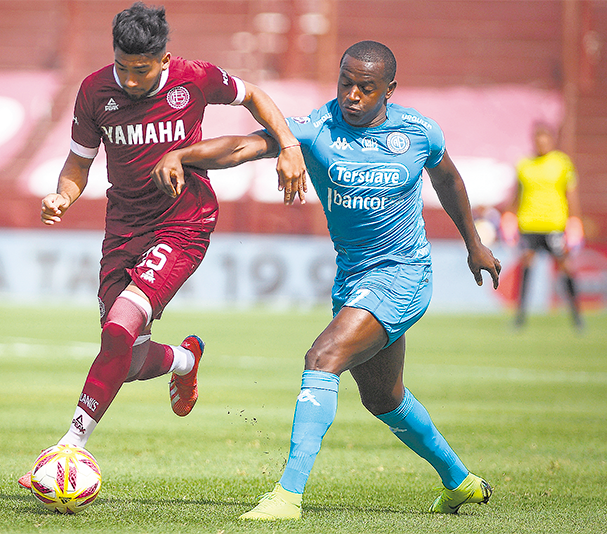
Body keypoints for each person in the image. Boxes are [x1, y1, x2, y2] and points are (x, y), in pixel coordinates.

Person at [152, 40, 500, 520]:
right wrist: (184, 155)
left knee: (322, 358)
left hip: (403, 275)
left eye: (366, 88)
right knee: (384, 398)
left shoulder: (419, 132)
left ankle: (287, 496)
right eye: (346, 83)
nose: (352, 95)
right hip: (354, 280)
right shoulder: (316, 129)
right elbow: (244, 146)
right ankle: (459, 481)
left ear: (389, 91)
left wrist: (474, 243)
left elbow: (448, 180)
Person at [18, 1, 307, 488]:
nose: (130, 81)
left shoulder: (195, 78)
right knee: (127, 359)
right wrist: (62, 196)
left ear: (164, 59)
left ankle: (70, 444)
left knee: (118, 328)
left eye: (142, 70)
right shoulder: (94, 91)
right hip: (123, 228)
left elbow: (253, 95)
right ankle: (185, 359)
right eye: (124, 68)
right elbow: (78, 163)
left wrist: (290, 145)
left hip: (183, 222)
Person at [500, 122, 584, 330]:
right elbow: (516, 195)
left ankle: (577, 316)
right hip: (529, 224)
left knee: (565, 267)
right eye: (538, 139)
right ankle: (520, 317)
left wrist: (575, 220)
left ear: (552, 140)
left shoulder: (562, 163)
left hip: (555, 224)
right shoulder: (524, 164)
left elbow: (571, 195)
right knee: (526, 267)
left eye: (545, 139)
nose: (542, 143)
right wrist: (509, 215)